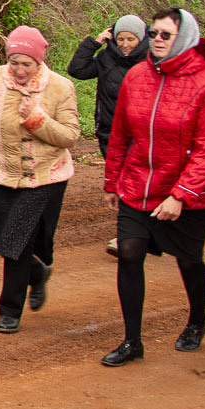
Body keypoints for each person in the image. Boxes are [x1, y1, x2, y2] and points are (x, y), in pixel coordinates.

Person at [99, 7, 205, 366]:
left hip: (187, 195)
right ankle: (131, 341)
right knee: (129, 253)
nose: (156, 40)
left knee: (188, 261)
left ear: (183, 38)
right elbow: (121, 133)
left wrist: (180, 196)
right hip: (138, 184)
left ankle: (197, 320)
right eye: (153, 33)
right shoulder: (137, 75)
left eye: (165, 35)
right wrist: (112, 181)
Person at [0, 26, 80, 332]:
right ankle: (38, 274)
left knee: (17, 242)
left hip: (44, 177)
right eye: (14, 62)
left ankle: (9, 311)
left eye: (26, 63)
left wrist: (37, 119)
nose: (18, 69)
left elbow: (70, 136)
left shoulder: (60, 87)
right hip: (2, 172)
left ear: (39, 62)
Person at [68, 14, 146, 257]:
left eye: (130, 39)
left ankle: (128, 236)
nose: (124, 44)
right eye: (121, 38)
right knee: (124, 182)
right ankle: (138, 231)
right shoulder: (106, 57)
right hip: (109, 131)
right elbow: (77, 69)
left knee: (132, 182)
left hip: (141, 134)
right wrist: (94, 42)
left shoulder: (152, 60)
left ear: (141, 39)